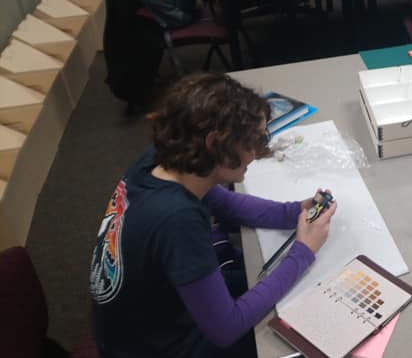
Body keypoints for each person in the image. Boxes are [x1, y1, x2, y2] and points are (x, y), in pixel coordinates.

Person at [89, 73, 337, 358]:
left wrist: (294, 212)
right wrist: (303, 252)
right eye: (253, 142)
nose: (257, 153)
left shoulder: (164, 158)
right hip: (156, 348)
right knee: (308, 330)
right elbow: (226, 328)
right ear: (216, 142)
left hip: (145, 320)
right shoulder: (177, 220)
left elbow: (226, 204)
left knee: (257, 278)